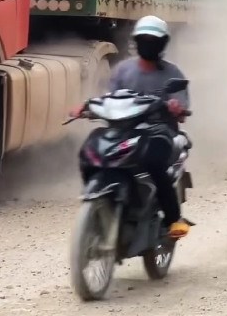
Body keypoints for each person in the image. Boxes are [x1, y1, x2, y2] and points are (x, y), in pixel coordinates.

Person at [72, 15, 191, 239]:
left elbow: (182, 107)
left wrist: (176, 107)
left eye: (153, 40)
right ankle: (100, 199)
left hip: (159, 132)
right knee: (89, 152)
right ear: (136, 41)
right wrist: (88, 107)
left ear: (163, 43)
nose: (148, 43)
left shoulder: (172, 74)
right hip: (124, 130)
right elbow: (111, 98)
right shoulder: (123, 70)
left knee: (154, 162)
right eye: (144, 39)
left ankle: (174, 219)